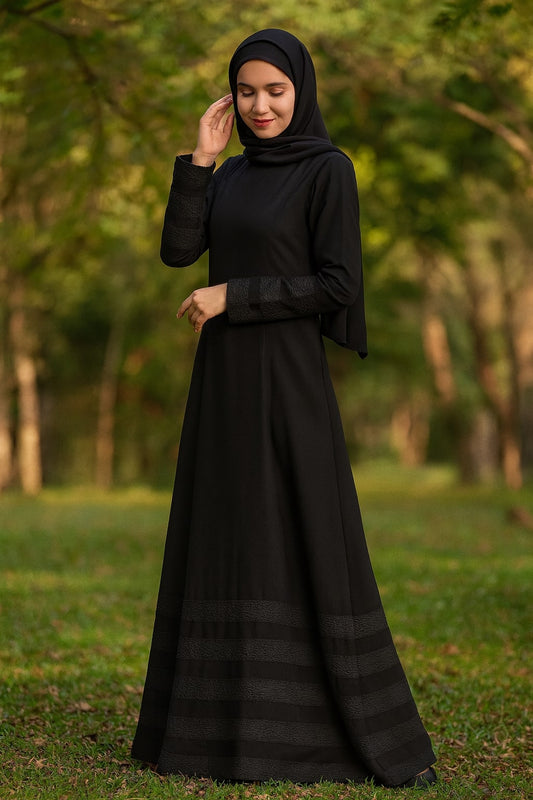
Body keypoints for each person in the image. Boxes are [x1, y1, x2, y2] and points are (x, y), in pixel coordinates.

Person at [131, 29, 437, 789]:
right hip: (224, 384)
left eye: (274, 90)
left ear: (300, 89)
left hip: (289, 380)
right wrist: (199, 159)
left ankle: (328, 726)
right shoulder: (229, 175)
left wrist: (235, 295)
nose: (260, 105)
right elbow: (177, 252)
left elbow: (337, 286)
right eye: (245, 91)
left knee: (297, 534)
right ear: (229, 97)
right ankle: (213, 729)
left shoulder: (328, 170)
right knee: (229, 532)